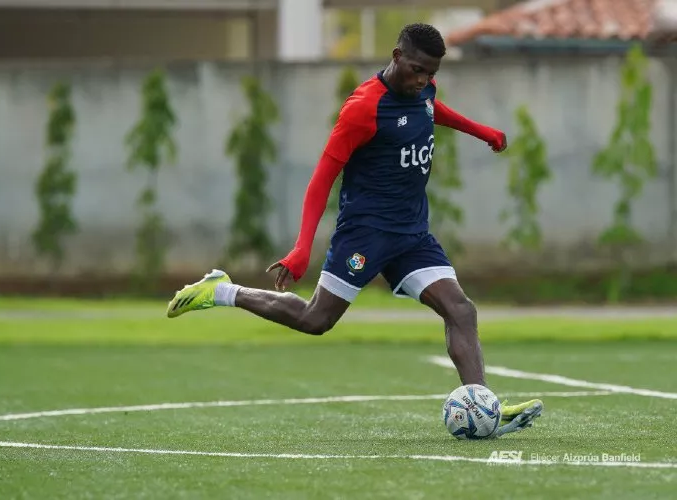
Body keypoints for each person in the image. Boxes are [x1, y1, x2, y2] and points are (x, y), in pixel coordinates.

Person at [167, 23, 542, 437]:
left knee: (460, 310)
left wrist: (483, 132)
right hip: (364, 234)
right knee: (316, 319)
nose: (423, 81)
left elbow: (434, 110)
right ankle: (221, 290)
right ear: (397, 56)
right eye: (417, 70)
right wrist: (301, 249)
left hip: (411, 235)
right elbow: (322, 178)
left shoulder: (422, 90)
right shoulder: (363, 108)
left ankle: (483, 406)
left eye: (430, 74)